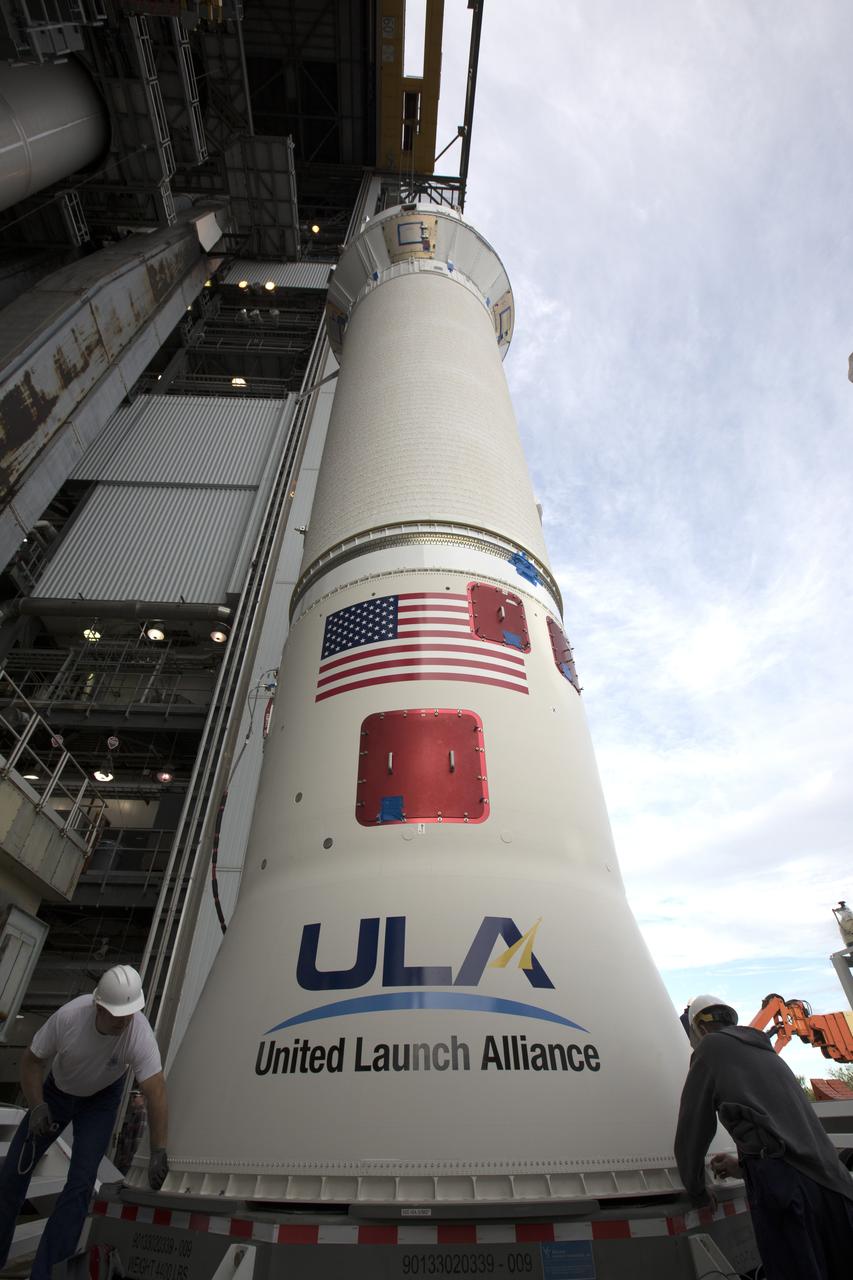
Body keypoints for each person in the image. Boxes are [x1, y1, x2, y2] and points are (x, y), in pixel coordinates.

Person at [0, 964, 169, 1280]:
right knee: (12, 1177)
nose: (125, 1021)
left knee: (80, 1187)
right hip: (56, 1095)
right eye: (118, 1015)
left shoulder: (138, 1032)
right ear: (99, 1006)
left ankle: (46, 1275)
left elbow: (155, 1089)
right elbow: (32, 1061)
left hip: (100, 1103)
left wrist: (159, 1149)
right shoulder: (69, 1018)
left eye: (130, 1014)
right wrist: (37, 1107)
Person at [674, 993, 853, 1280]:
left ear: (700, 1029)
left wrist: (696, 1188)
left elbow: (693, 1126)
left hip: (788, 1190)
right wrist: (742, 1166)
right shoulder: (766, 1053)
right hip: (835, 1184)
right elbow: (786, 1133)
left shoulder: (710, 1048)